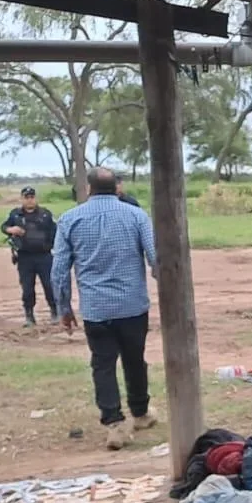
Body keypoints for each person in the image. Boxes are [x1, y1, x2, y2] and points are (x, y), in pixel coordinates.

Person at [53, 166, 160, 450]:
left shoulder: (69, 219)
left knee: (102, 364)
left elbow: (59, 270)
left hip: (96, 308)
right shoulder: (136, 216)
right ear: (117, 188)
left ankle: (114, 423)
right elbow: (156, 259)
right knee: (135, 359)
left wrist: (64, 308)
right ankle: (140, 413)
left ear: (88, 188)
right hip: (132, 305)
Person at [1, 186, 59, 327]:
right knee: (27, 288)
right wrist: (11, 229)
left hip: (44, 256)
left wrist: (52, 246)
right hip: (24, 257)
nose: (29, 200)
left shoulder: (45, 214)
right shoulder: (16, 215)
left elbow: (55, 231)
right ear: (22, 199)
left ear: (35, 198)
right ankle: (29, 315)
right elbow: (3, 227)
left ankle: (55, 312)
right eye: (26, 197)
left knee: (49, 286)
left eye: (32, 197)